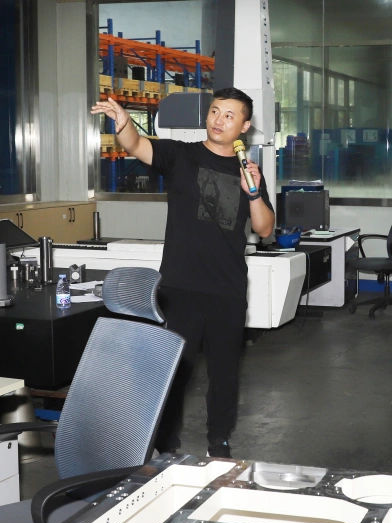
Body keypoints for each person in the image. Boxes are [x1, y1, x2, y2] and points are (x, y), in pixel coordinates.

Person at [90, 89, 275, 458]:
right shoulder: (181, 155)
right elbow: (137, 145)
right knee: (174, 371)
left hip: (227, 289)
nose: (219, 120)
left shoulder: (248, 172)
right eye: (215, 111)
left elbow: (265, 228)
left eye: (229, 115)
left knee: (224, 374)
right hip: (179, 286)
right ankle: (164, 444)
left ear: (244, 126)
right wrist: (123, 123)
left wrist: (253, 193)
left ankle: (219, 443)